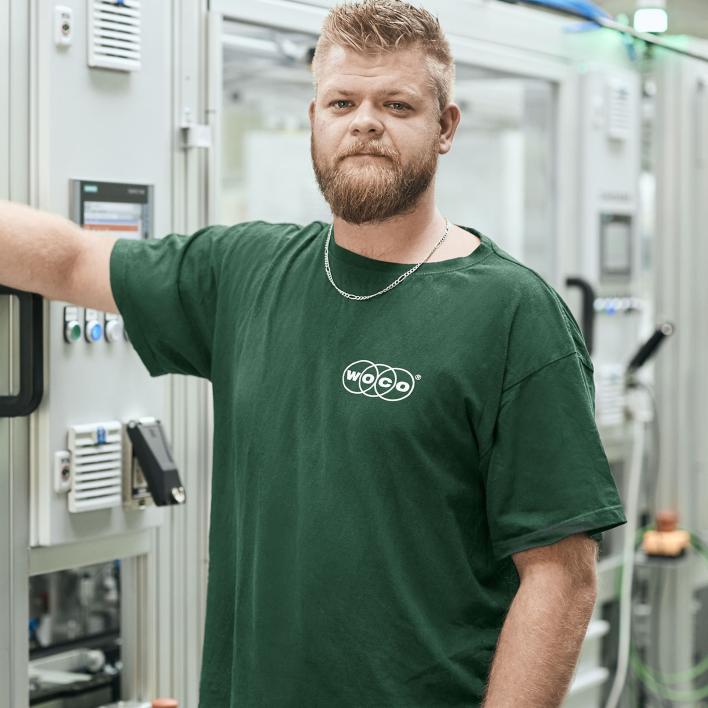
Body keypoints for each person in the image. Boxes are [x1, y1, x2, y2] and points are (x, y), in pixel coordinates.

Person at [0, 1, 627, 705]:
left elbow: (561, 577)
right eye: (342, 101)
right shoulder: (246, 271)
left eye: (396, 103)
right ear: (314, 119)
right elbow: (71, 261)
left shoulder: (513, 314)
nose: (365, 121)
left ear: (445, 127)